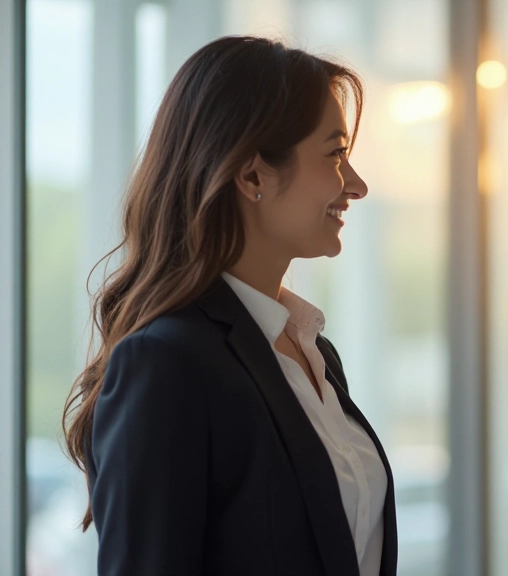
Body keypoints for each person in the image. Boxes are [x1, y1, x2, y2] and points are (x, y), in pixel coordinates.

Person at [63, 36, 396, 576]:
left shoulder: (315, 354)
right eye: (335, 154)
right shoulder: (167, 363)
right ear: (251, 175)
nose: (354, 184)